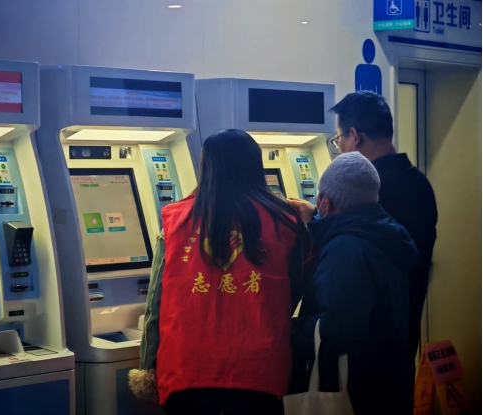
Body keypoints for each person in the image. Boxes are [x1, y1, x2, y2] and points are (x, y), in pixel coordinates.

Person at [129, 129, 308, 415]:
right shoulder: (284, 221)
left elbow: (155, 303)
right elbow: (296, 291)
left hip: (186, 367)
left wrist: (147, 365)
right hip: (259, 368)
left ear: (206, 167)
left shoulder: (177, 220)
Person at [291, 91, 438, 367]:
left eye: (338, 139)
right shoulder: (419, 184)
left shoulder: (369, 189)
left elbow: (354, 253)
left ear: (355, 136)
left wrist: (317, 222)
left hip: (355, 354)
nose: (340, 148)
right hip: (399, 338)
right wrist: (319, 217)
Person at [292, 151, 419, 415]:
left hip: (357, 391)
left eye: (319, 196)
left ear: (326, 202)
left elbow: (336, 328)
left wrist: (289, 332)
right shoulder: (386, 233)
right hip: (385, 383)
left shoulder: (346, 249)